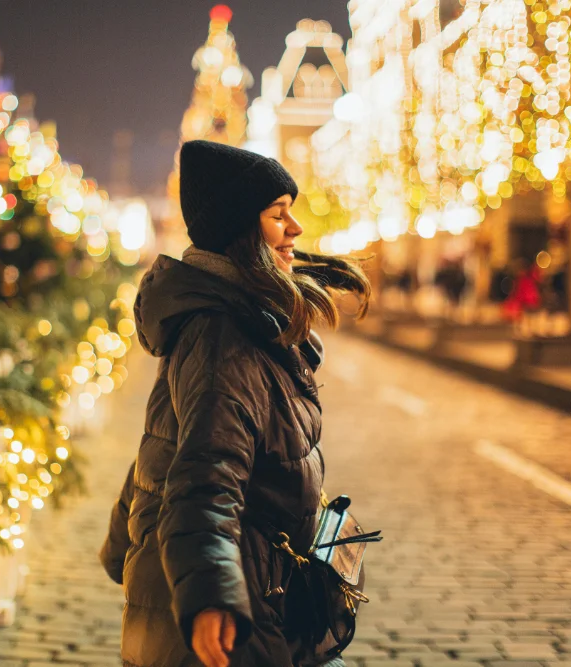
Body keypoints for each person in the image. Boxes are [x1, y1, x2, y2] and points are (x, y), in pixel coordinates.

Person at [100, 140, 372, 667]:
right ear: (241, 231)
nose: (294, 228)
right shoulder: (227, 333)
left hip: (247, 584)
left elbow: (170, 447)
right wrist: (211, 596)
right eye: (278, 214)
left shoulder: (232, 317)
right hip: (240, 605)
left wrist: (122, 544)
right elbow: (207, 474)